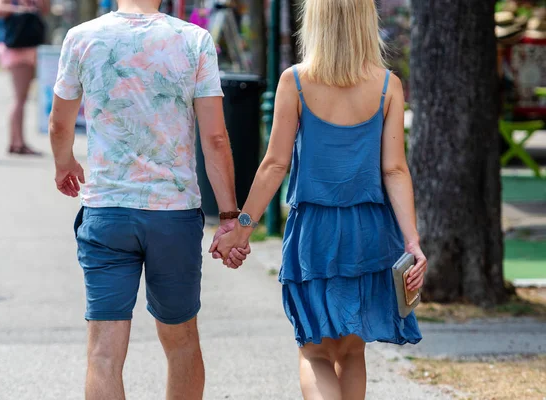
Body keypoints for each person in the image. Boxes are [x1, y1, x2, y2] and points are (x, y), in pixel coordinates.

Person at [213, 0, 427, 398]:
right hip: (370, 232)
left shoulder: (295, 81)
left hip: (315, 232)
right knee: (352, 350)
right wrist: (412, 241)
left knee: (314, 352)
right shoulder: (387, 85)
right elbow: (395, 169)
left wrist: (242, 228)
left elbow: (275, 164)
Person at [49, 0, 249, 398]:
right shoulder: (194, 40)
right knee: (181, 342)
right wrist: (229, 215)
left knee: (104, 352)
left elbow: (59, 123)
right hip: (172, 214)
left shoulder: (81, 37)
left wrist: (64, 163)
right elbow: (215, 139)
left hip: (107, 210)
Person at [0, 0, 49, 155]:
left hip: (28, 47)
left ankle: (17, 141)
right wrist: (20, 9)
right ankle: (17, 142)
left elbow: (45, 10)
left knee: (21, 98)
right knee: (19, 98)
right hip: (17, 48)